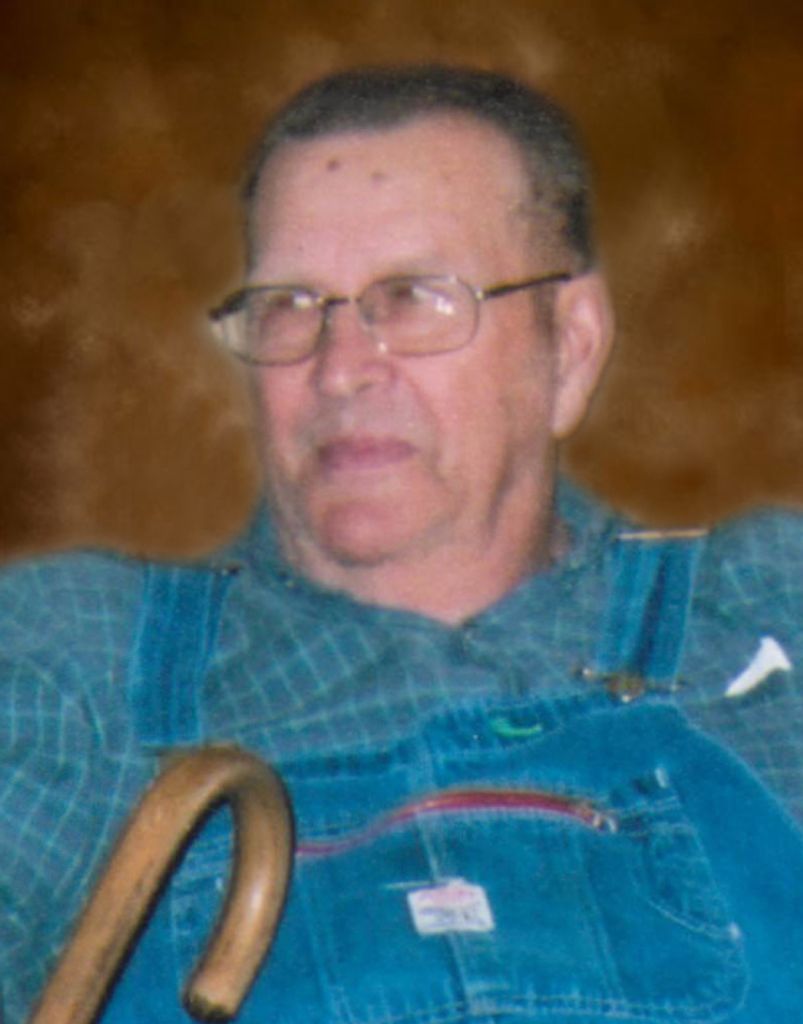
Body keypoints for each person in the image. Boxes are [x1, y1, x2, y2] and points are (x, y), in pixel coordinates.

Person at [2, 64, 803, 1023]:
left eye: (413, 297)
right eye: (289, 305)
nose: (339, 367)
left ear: (570, 346)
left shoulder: (766, 621)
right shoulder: (84, 668)